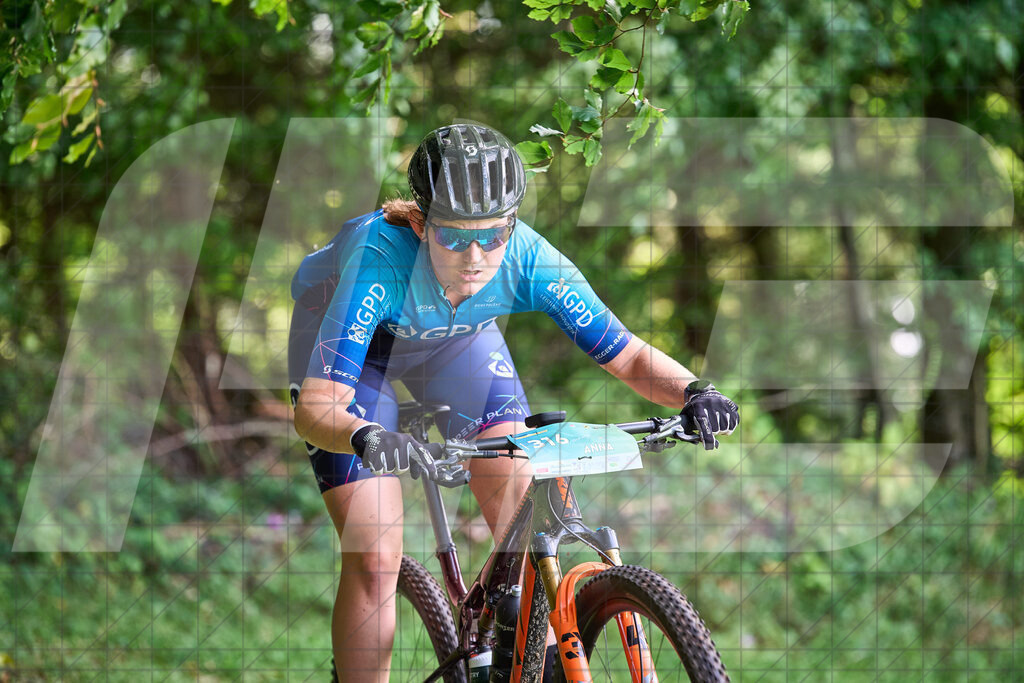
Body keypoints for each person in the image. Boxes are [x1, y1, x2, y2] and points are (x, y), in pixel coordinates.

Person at [288, 123, 739, 682]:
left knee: (529, 511)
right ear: (421, 223)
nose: (476, 256)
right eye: (453, 238)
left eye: (493, 236)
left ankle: (520, 647)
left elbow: (626, 356)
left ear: (512, 225)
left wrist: (698, 391)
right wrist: (366, 437)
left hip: (455, 344)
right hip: (358, 356)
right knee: (375, 554)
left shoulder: (529, 257)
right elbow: (317, 407)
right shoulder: (379, 258)